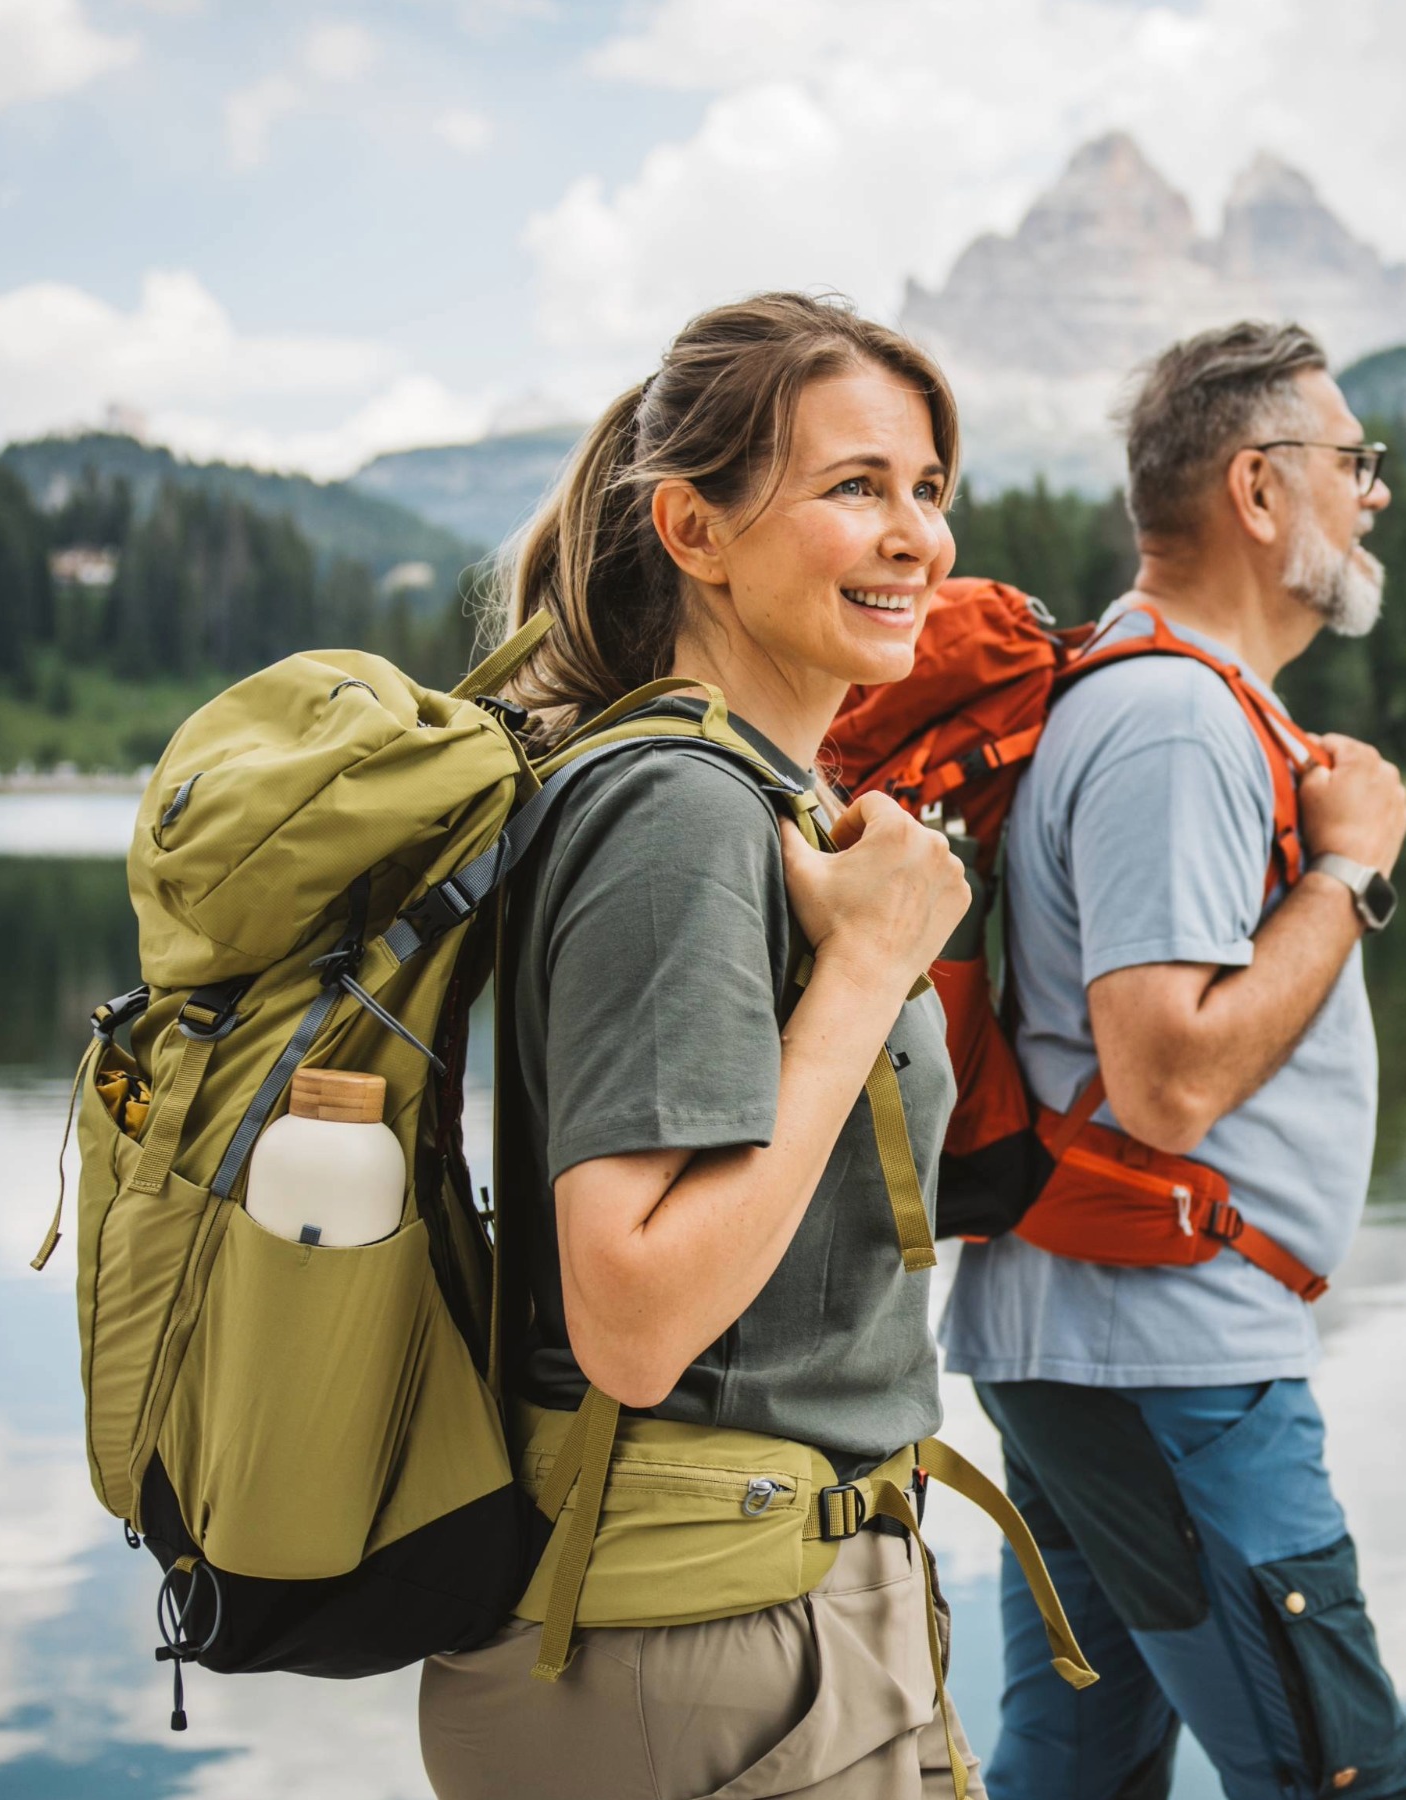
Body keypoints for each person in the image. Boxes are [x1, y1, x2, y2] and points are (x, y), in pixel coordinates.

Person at [416, 293, 979, 1800]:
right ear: (695, 529)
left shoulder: (744, 798)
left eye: (929, 489)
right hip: (706, 1653)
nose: (916, 535)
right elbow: (634, 1315)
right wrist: (866, 968)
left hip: (766, 1622)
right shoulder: (678, 814)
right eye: (856, 486)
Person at [940, 321, 1406, 1800]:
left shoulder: (1166, 699)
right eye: (1357, 462)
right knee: (1343, 1780)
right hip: (1171, 1362)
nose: (1378, 495)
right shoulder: (1170, 723)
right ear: (1260, 492)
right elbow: (1169, 1079)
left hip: (1108, 1344)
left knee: (1078, 1775)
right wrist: (1351, 874)